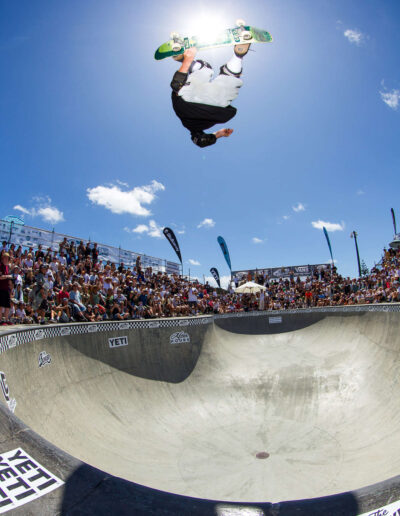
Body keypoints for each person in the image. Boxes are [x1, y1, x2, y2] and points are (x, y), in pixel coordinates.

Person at [170, 44, 251, 148]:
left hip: (216, 106)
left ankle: (238, 55)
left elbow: (202, 141)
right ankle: (185, 59)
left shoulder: (196, 125)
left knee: (229, 77)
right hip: (188, 101)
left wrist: (219, 134)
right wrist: (188, 60)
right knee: (204, 68)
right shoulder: (188, 123)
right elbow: (176, 86)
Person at [0, 253, 13, 325]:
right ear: (2, 258)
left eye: (7, 258)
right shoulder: (0, 266)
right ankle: (0, 320)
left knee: (7, 305)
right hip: (1, 288)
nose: (6, 259)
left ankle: (6, 319)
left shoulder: (7, 267)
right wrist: (8, 276)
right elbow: (1, 277)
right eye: (5, 258)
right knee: (1, 305)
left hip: (6, 288)